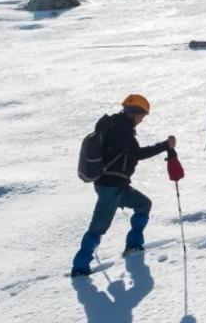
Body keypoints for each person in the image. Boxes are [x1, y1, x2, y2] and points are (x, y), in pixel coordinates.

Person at [71, 95, 175, 277]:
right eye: (142, 115)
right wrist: (165, 146)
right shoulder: (122, 130)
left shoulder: (114, 126)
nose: (142, 120)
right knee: (97, 228)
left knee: (143, 204)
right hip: (111, 187)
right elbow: (137, 154)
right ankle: (80, 268)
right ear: (135, 114)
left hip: (115, 185)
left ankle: (133, 246)